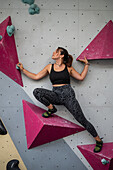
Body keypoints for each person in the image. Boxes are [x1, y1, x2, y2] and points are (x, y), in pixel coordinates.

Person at [17, 47, 103, 153]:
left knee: (82, 120)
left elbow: (80, 77)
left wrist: (86, 65)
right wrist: (23, 70)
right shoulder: (50, 67)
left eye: (56, 52)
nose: (53, 53)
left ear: (61, 55)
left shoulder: (68, 68)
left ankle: (98, 140)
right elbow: (36, 77)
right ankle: (51, 108)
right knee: (37, 92)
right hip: (56, 94)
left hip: (68, 96)